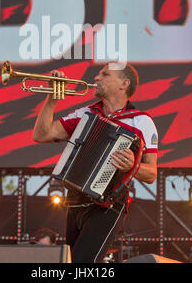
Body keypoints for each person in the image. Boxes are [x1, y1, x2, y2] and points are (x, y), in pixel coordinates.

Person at [33, 62, 158, 263]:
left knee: (83, 263)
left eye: (105, 75)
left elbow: (151, 173)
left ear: (123, 84)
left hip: (108, 204)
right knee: (73, 264)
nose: (96, 78)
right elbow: (41, 135)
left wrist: (132, 166)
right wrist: (51, 99)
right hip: (74, 201)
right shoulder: (86, 114)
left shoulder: (140, 121)